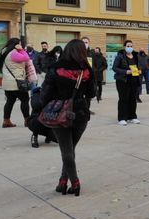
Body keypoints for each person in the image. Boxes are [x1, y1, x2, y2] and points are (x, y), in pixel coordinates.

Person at [40, 39, 95, 196]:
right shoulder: (87, 70)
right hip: (80, 113)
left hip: (59, 113)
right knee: (70, 150)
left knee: (66, 150)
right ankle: (62, 182)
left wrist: (44, 105)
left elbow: (45, 94)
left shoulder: (56, 69)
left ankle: (75, 183)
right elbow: (91, 93)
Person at [0, 38, 31, 128]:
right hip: (17, 82)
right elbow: (26, 58)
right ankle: (27, 121)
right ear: (16, 44)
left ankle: (6, 121)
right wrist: (22, 49)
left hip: (7, 82)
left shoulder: (4, 52)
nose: (20, 45)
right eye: (19, 44)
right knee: (25, 100)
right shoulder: (13, 53)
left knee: (10, 101)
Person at [112, 40, 141, 126]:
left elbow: (140, 65)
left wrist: (140, 70)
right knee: (123, 99)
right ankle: (122, 118)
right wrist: (125, 72)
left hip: (134, 80)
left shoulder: (136, 56)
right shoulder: (120, 56)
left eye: (131, 46)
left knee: (133, 99)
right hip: (123, 81)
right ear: (124, 47)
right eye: (128, 46)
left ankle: (132, 117)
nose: (130, 47)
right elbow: (114, 68)